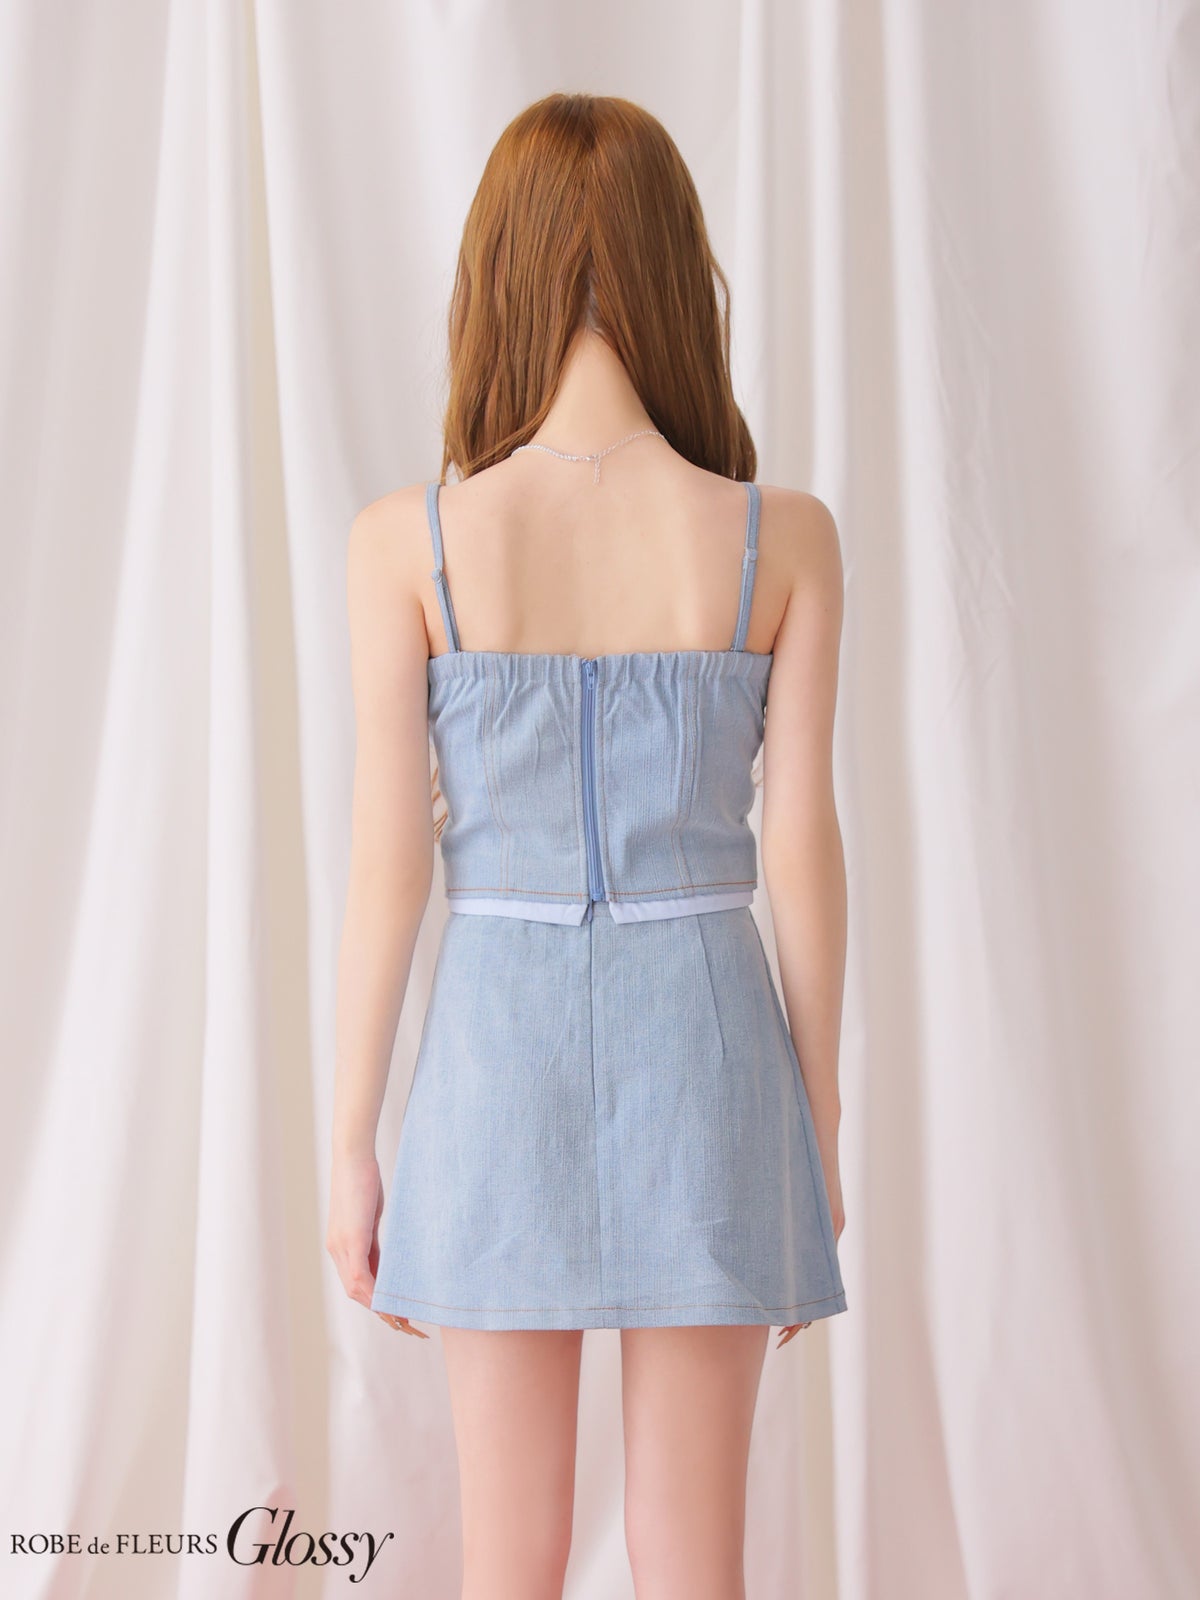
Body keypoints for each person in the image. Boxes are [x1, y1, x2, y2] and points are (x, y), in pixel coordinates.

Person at [327, 91, 847, 1600]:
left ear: (496, 274)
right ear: (681, 273)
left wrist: (351, 1141)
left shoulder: (407, 542)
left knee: (510, 1566)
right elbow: (802, 851)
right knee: (696, 1566)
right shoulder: (781, 537)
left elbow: (387, 866)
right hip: (712, 1053)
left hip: (494, 1060)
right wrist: (816, 1124)